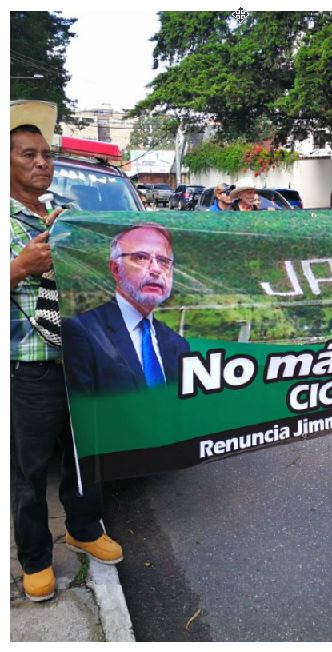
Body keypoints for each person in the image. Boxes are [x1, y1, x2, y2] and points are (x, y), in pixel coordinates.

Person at [10, 100, 123, 603]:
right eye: (27, 155)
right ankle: (35, 560)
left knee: (85, 457)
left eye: (45, 155)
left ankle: (83, 527)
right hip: (28, 367)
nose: (41, 163)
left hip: (82, 359)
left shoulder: (70, 215)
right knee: (28, 472)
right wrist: (18, 268)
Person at [61, 222, 191, 395]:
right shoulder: (83, 332)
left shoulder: (178, 344)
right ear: (115, 269)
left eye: (163, 261)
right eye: (140, 257)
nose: (155, 270)